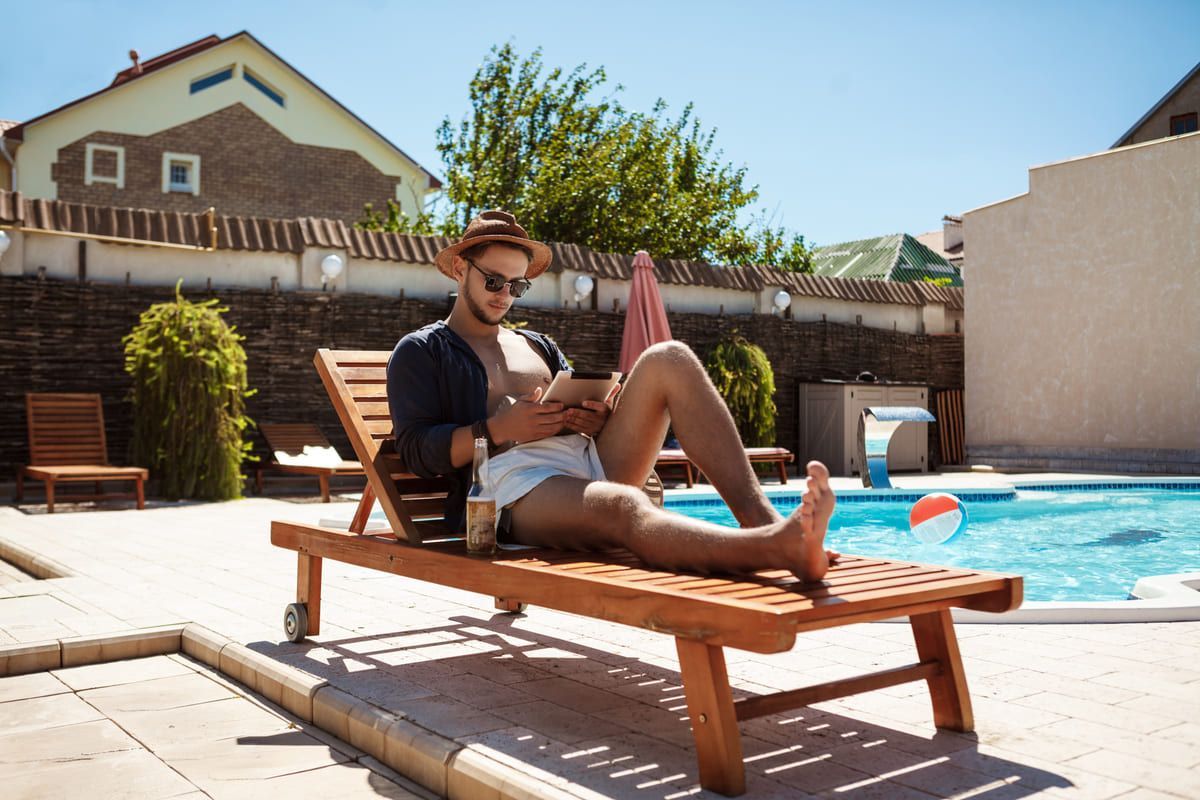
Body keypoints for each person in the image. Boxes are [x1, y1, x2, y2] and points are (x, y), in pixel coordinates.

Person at [387, 210, 837, 581]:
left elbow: (580, 402)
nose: (506, 295)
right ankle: (777, 548)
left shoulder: (538, 345)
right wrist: (498, 430)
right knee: (625, 504)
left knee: (670, 357)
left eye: (517, 285)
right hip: (512, 484)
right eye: (494, 281)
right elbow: (415, 451)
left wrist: (596, 418)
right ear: (461, 268)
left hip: (587, 458)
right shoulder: (423, 351)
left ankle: (763, 521)